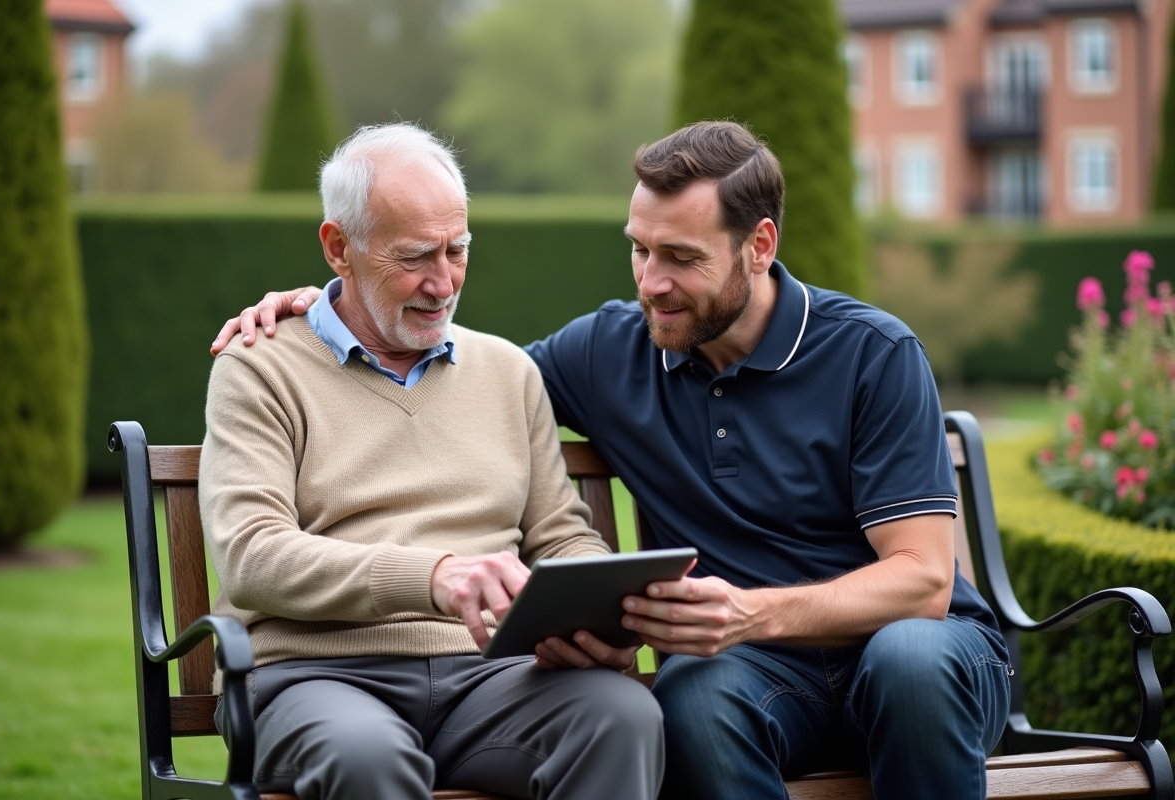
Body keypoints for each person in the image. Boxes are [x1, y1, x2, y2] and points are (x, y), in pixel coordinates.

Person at [213, 120, 1012, 800]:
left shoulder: (873, 353)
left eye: (681, 258)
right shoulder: (605, 352)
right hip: (751, 671)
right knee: (689, 699)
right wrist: (321, 304)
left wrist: (747, 614)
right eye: (639, 251)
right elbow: (429, 367)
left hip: (908, 651)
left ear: (759, 246)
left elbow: (923, 583)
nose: (651, 285)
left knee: (906, 659)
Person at [200, 122, 664, 800]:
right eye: (417, 256)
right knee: (366, 758)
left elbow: (559, 534)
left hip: (489, 676)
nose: (443, 282)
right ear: (339, 248)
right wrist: (436, 576)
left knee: (621, 716)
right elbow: (253, 555)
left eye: (459, 249)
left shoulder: (508, 371)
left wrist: (608, 604)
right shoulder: (259, 369)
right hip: (314, 678)